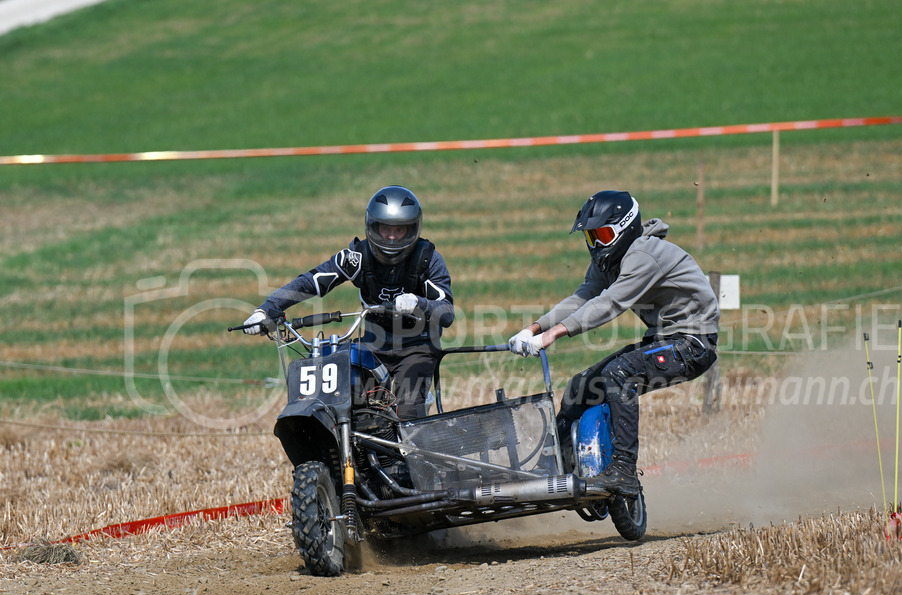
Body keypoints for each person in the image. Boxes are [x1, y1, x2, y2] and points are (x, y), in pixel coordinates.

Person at [508, 190, 719, 497]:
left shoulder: (644, 255)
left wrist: (553, 335)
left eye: (602, 235)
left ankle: (624, 471)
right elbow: (583, 296)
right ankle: (552, 469)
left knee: (619, 374)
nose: (595, 245)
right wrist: (534, 328)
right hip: (662, 340)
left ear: (626, 227)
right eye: (590, 237)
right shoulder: (609, 260)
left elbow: (610, 303)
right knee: (580, 387)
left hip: (693, 344)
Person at [242, 185, 455, 420]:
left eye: (400, 230)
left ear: (412, 229)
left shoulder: (427, 258)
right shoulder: (357, 257)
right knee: (348, 401)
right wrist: (266, 309)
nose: (392, 237)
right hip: (375, 344)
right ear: (373, 226)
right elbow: (310, 281)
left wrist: (419, 303)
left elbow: (446, 313)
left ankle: (411, 440)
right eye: (385, 229)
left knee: (407, 412)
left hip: (418, 347)